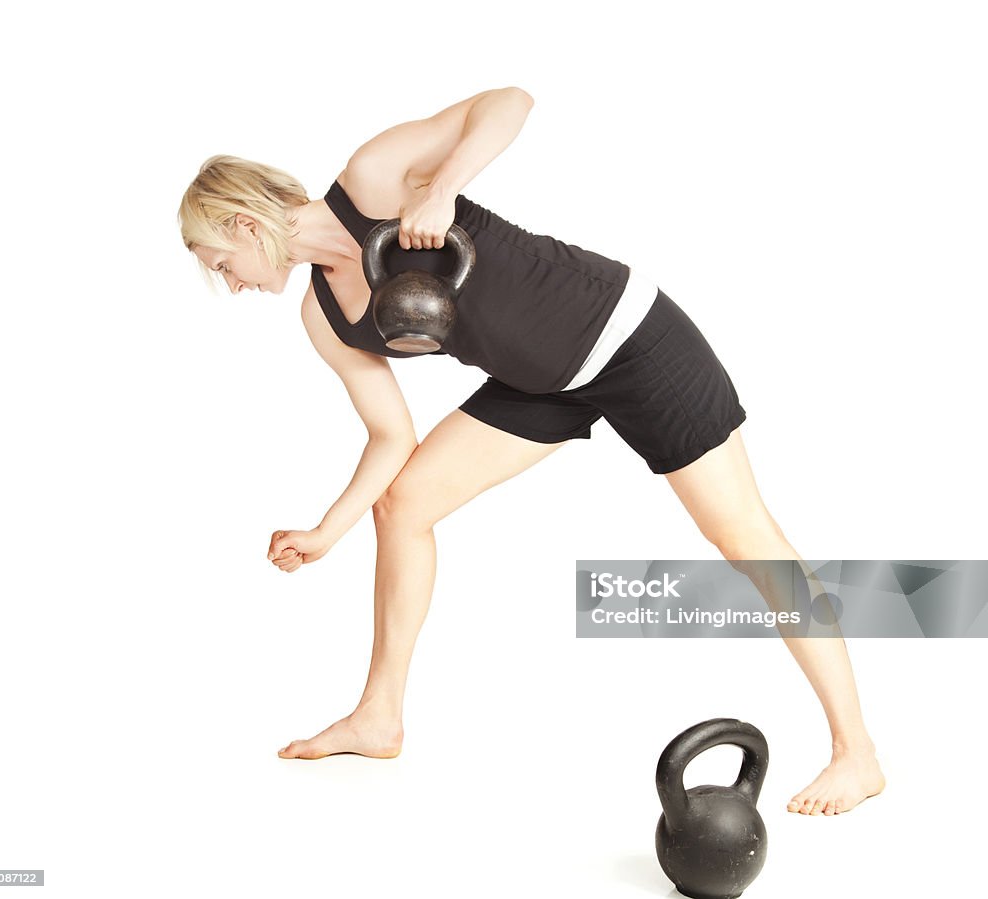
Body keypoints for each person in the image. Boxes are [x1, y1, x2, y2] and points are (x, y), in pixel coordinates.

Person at [178, 86, 885, 815]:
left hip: (626, 335)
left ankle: (856, 753)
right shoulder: (324, 315)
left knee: (746, 539)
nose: (228, 283)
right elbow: (391, 435)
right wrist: (329, 528)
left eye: (220, 261)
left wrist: (444, 189)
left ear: (244, 222)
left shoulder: (375, 178)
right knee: (404, 503)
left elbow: (509, 102)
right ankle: (379, 715)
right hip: (541, 381)